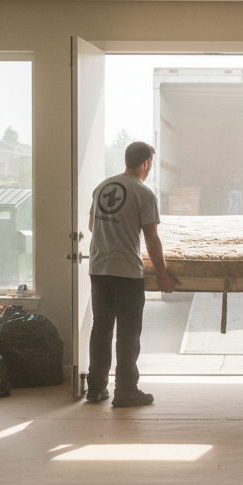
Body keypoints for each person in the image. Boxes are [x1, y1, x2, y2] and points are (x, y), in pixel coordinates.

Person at [87, 140, 176, 407]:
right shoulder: (143, 193)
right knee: (127, 334)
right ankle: (126, 391)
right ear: (146, 163)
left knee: (100, 329)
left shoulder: (103, 187)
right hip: (126, 273)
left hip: (99, 270)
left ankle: (95, 389)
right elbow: (151, 237)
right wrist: (162, 273)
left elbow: (92, 225)